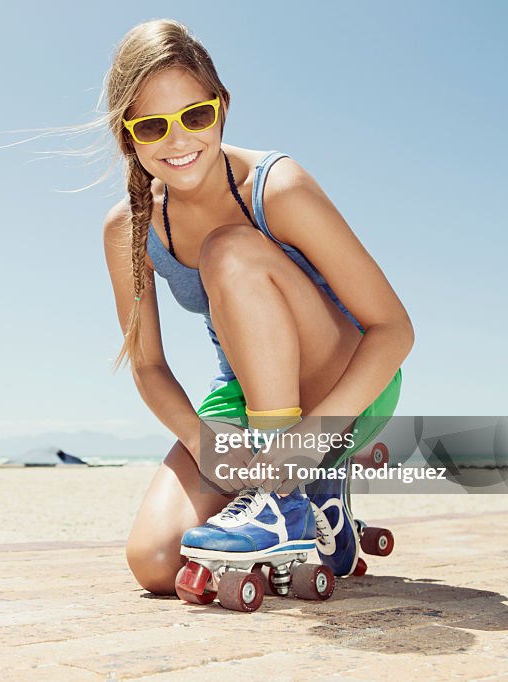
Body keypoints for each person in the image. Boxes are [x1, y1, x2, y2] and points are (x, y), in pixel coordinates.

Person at [100, 20, 413, 595]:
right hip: (245, 393)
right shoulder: (130, 229)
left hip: (340, 384)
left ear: (221, 107)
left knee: (230, 250)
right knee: (155, 561)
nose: (178, 140)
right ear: (129, 137)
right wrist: (202, 440)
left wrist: (309, 438)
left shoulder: (278, 187)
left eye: (196, 116)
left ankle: (288, 500)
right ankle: (324, 525)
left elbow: (393, 330)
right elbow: (147, 366)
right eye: (152, 125)